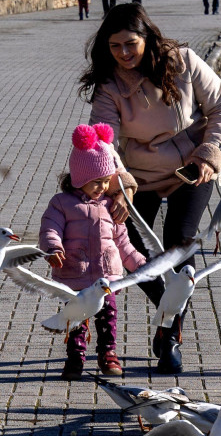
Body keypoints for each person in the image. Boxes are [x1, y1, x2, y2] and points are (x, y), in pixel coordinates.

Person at [81, 4, 221, 373]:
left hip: (191, 168)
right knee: (130, 249)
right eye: (115, 46)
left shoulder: (182, 61)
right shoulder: (109, 85)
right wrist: (118, 185)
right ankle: (170, 312)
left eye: (130, 44)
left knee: (178, 241)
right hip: (138, 175)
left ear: (147, 37)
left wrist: (209, 154)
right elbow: (104, 143)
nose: (123, 53)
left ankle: (170, 338)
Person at [39, 123, 146, 381]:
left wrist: (141, 264)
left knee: (108, 316)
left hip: (106, 276)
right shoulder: (62, 204)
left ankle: (107, 353)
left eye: (105, 182)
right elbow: (49, 229)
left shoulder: (111, 206)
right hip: (74, 275)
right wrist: (53, 248)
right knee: (76, 321)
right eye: (96, 182)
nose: (102, 187)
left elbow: (122, 241)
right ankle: (75, 358)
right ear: (80, 179)